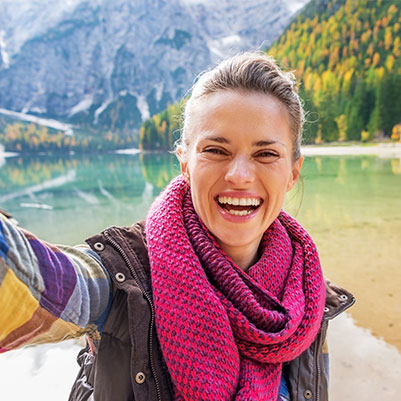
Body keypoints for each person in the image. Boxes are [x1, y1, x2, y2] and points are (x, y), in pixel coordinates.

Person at [0, 52, 354, 401]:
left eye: (266, 154)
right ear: (184, 163)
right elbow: (38, 281)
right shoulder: (124, 277)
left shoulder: (305, 298)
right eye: (216, 150)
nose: (240, 176)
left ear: (293, 171)